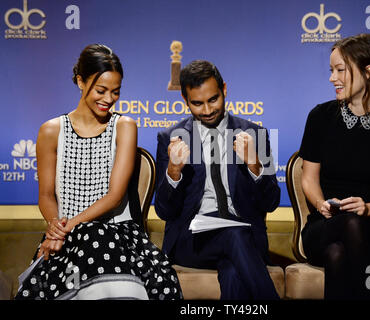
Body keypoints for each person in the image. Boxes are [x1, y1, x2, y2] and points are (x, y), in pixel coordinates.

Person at [15, 44, 182, 300]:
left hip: (117, 232)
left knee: (160, 280)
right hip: (65, 234)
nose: (108, 99)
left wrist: (67, 227)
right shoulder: (51, 131)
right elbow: (47, 196)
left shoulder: (124, 126)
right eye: (101, 90)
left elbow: (114, 196)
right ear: (81, 81)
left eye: (115, 92)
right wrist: (56, 230)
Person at [298, 33, 370, 300]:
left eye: (340, 70)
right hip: (324, 226)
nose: (332, 78)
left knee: (338, 252)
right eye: (331, 70)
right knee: (344, 231)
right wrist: (320, 204)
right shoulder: (320, 118)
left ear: (368, 71)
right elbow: (309, 179)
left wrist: (368, 207)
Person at [154, 60, 280, 300]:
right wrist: (173, 172)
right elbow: (164, 211)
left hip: (244, 242)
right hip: (192, 242)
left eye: (213, 99)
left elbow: (271, 203)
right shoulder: (171, 137)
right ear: (185, 99)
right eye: (197, 103)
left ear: (224, 89)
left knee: (233, 272)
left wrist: (254, 164)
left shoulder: (255, 134)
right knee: (234, 234)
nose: (207, 110)